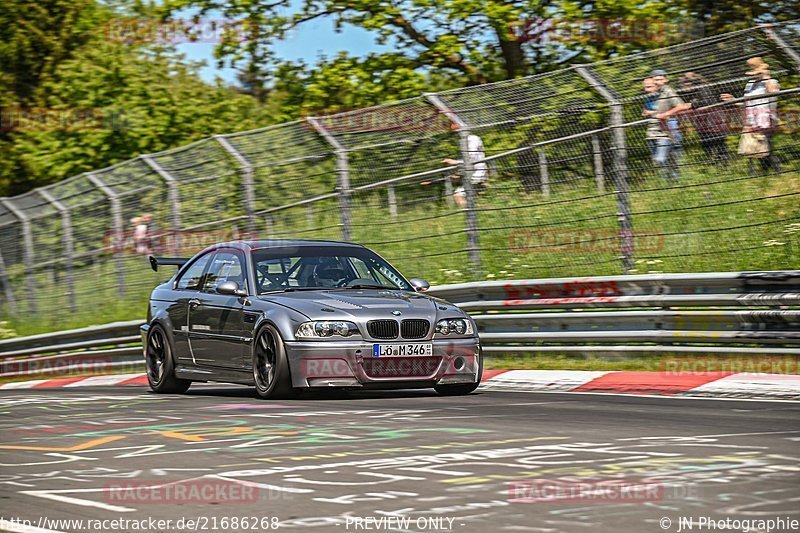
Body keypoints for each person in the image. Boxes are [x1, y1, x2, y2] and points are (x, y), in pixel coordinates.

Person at [721, 57, 780, 173]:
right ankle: (760, 173)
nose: (754, 75)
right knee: (753, 147)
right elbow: (746, 103)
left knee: (765, 147)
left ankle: (774, 171)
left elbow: (774, 92)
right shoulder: (750, 84)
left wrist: (766, 76)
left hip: (766, 119)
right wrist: (733, 100)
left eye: (756, 73)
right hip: (751, 120)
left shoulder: (771, 82)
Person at [679, 72, 731, 166]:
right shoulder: (690, 93)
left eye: (685, 84)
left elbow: (708, 101)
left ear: (692, 83)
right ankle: (712, 166)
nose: (683, 87)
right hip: (702, 124)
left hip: (713, 122)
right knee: (707, 146)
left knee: (719, 145)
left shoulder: (703, 88)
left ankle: (724, 167)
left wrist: (692, 105)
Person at [642, 75, 689, 180]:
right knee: (659, 160)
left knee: (662, 159)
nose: (646, 90)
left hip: (666, 132)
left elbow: (681, 106)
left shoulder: (665, 96)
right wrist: (655, 113)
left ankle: (676, 177)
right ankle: (672, 180)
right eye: (645, 87)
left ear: (656, 86)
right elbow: (645, 112)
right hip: (651, 133)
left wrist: (660, 114)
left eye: (649, 87)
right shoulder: (648, 98)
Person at [442, 123, 488, 207]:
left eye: (457, 131)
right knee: (467, 196)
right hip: (473, 172)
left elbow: (472, 158)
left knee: (458, 195)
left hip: (478, 172)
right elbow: (468, 160)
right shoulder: (464, 141)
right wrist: (460, 173)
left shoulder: (473, 139)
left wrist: (455, 162)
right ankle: (474, 211)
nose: (456, 134)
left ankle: (471, 213)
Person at [651, 69, 685, 155]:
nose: (658, 82)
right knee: (667, 158)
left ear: (666, 80)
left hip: (672, 126)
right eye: (656, 80)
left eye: (660, 79)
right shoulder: (657, 93)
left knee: (674, 156)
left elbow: (681, 106)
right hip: (662, 129)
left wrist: (666, 114)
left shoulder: (668, 91)